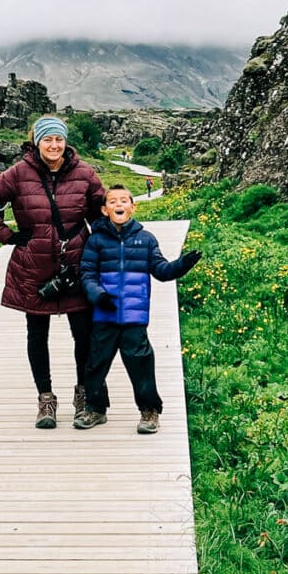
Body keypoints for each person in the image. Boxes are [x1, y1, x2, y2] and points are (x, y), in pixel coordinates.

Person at [0, 115, 105, 428]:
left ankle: (84, 395)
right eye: (47, 139)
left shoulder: (85, 173)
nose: (54, 145)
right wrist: (7, 235)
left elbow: (101, 213)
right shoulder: (18, 174)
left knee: (83, 334)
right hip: (34, 266)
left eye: (59, 139)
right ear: (36, 142)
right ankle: (46, 400)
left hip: (76, 263)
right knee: (37, 333)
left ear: (65, 141)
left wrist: (103, 249)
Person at [74, 184, 202, 434]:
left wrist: (181, 265)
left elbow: (162, 271)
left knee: (141, 365)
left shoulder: (146, 239)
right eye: (112, 201)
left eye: (124, 200)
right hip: (105, 314)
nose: (118, 204)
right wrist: (98, 295)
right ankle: (95, 409)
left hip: (135, 316)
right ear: (104, 209)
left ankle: (149, 411)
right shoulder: (96, 240)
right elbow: (87, 274)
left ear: (133, 207)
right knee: (95, 364)